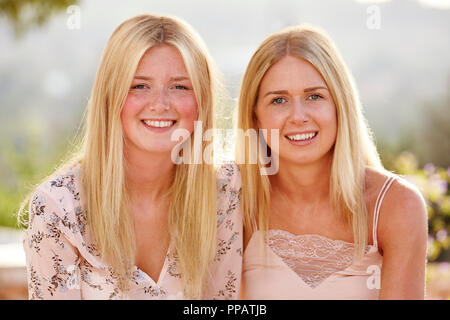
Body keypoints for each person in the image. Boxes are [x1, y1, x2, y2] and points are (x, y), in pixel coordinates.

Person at [18, 14, 242, 300]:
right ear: (110, 96)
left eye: (179, 86)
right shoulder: (59, 208)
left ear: (202, 101)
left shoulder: (223, 189)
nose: (160, 104)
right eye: (139, 86)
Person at [236, 24, 428, 299]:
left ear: (340, 105)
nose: (298, 116)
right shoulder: (233, 201)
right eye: (278, 100)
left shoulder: (395, 205)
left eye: (314, 96)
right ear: (255, 118)